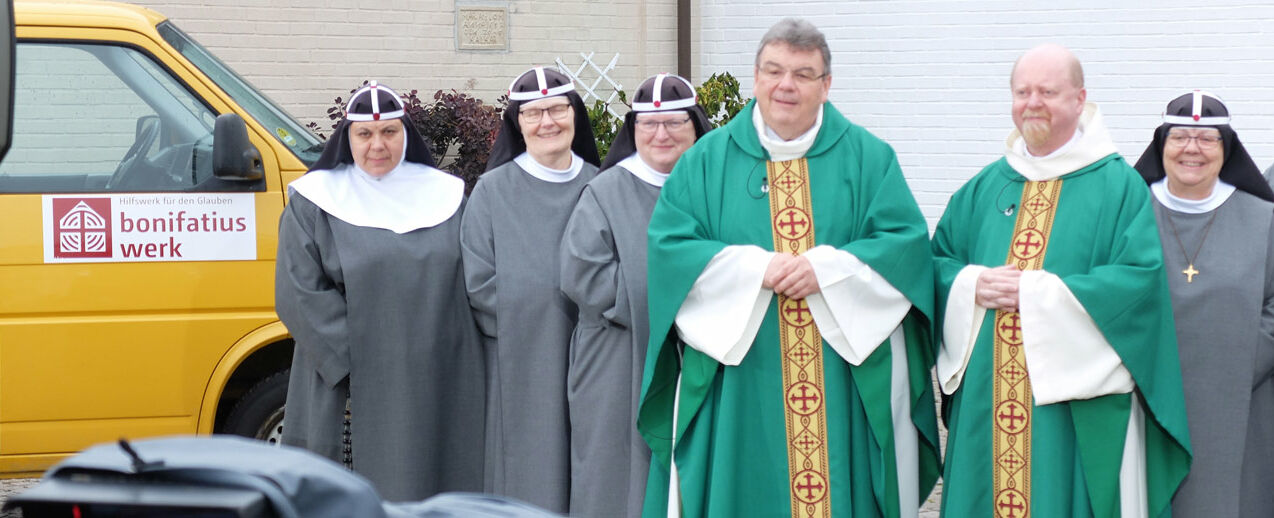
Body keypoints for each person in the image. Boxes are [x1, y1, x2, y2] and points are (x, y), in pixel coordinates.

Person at [637, 19, 941, 518]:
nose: (786, 85)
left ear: (826, 85)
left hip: (839, 375)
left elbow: (905, 247)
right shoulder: (706, 161)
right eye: (774, 71)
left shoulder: (868, 158)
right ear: (755, 78)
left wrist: (828, 270)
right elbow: (670, 248)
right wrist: (753, 268)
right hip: (738, 378)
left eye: (803, 74)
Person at [931, 45, 1192, 517]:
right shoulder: (984, 186)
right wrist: (970, 285)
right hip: (986, 403)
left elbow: (1139, 283)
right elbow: (937, 262)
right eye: (1022, 91)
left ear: (1080, 99)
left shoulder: (1119, 186)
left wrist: (1035, 293)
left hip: (1072, 407)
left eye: (1048, 91)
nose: (1033, 103)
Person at [276, 81, 485, 501]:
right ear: (347, 138)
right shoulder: (314, 202)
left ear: (405, 135)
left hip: (439, 374)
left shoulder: (446, 197)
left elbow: (470, 278)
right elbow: (299, 291)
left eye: (389, 132)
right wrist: (358, 360)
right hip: (352, 379)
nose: (378, 145)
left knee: (440, 485)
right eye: (365, 134)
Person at [558, 73, 711, 518]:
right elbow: (583, 275)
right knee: (614, 473)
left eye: (674, 123)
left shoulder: (711, 190)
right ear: (633, 131)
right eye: (648, 124)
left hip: (707, 350)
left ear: (696, 127)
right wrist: (673, 304)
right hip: (618, 354)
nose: (661, 134)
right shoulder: (605, 191)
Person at [460, 66, 601, 513]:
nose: (547, 122)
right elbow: (478, 281)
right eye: (533, 113)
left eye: (557, 109)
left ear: (574, 114)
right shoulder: (491, 191)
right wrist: (542, 315)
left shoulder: (601, 185)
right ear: (517, 124)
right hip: (520, 361)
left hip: (597, 356)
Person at [1132, 91, 1274, 517]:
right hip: (1145, 392)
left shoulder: (1264, 217)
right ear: (1161, 145)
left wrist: (1241, 361)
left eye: (1207, 139)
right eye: (1179, 137)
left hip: (1240, 395)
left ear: (1226, 149)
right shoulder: (1131, 212)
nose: (1191, 148)